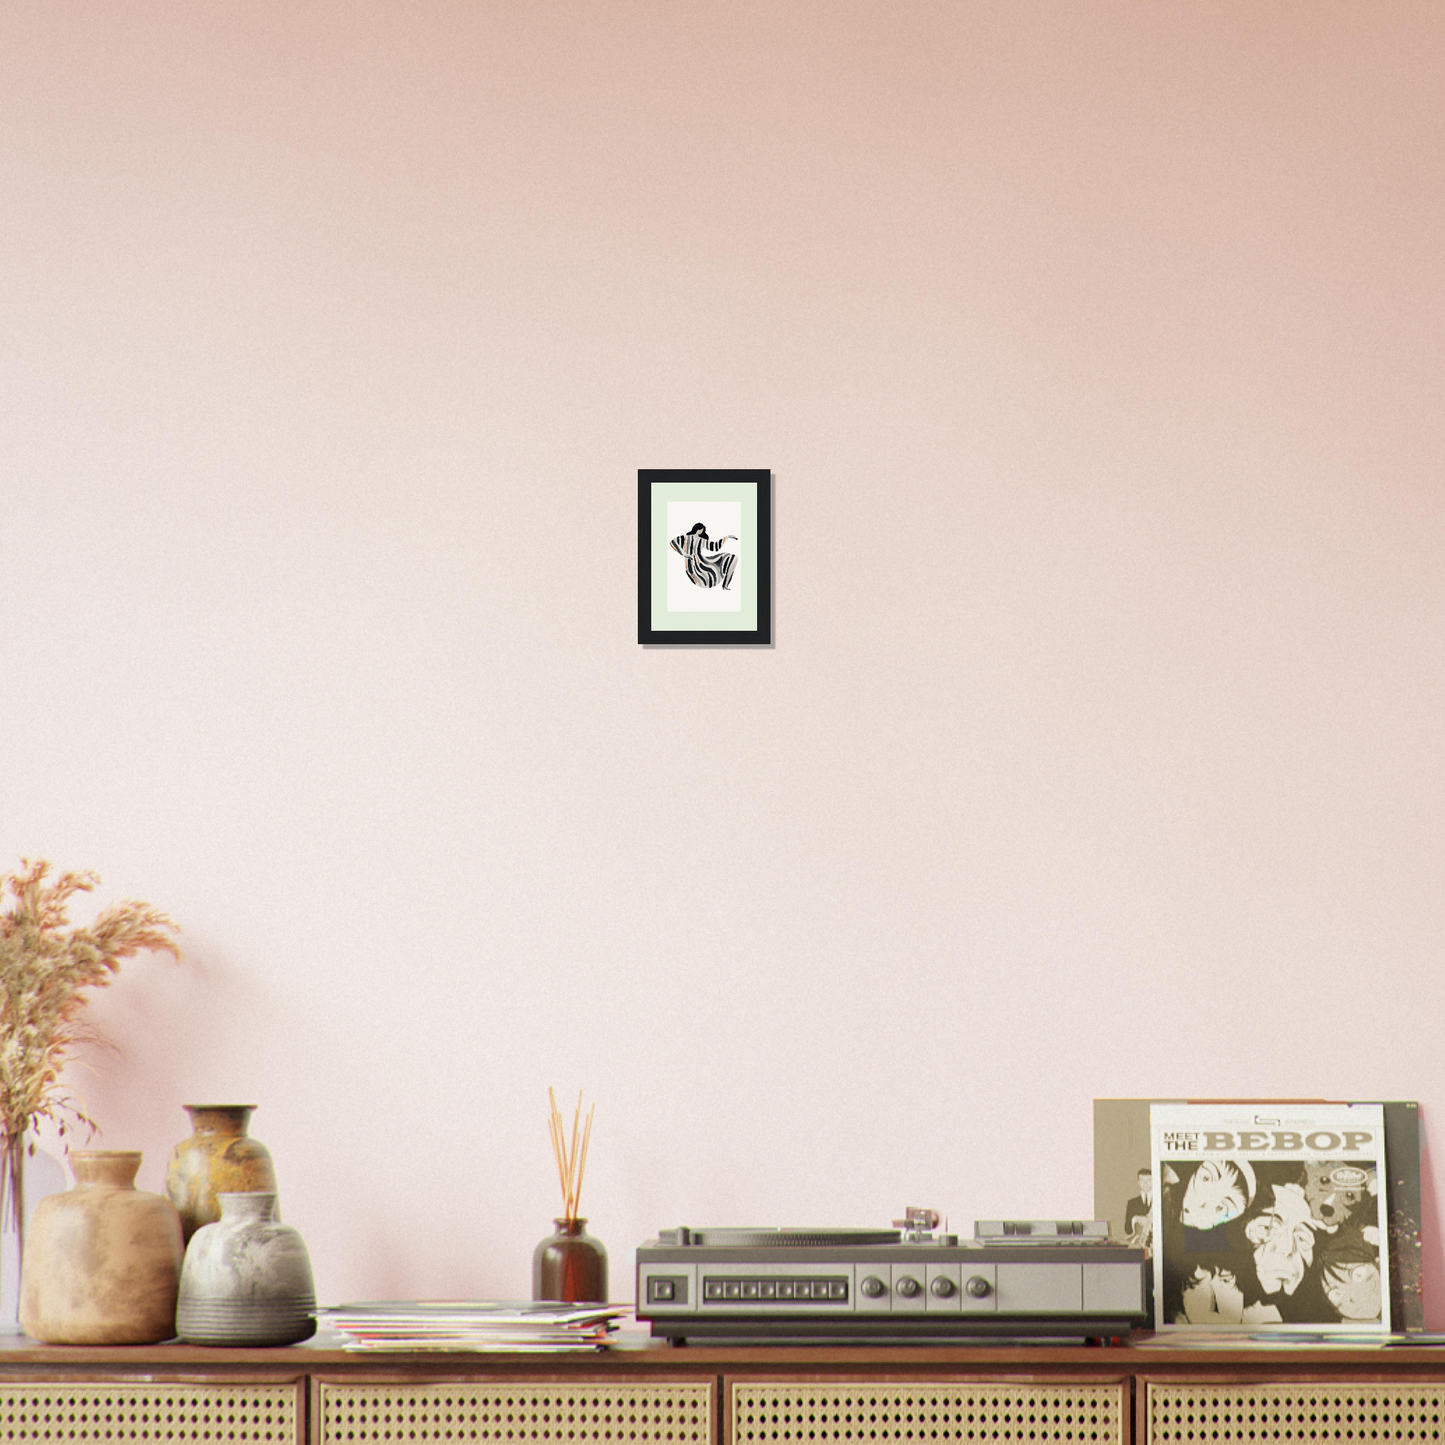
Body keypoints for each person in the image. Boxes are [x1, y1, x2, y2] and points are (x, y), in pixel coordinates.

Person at [670, 523, 738, 590]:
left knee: (732, 558)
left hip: (701, 562)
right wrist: (684, 554)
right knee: (730, 560)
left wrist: (727, 537)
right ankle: (724, 586)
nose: (702, 531)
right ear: (697, 529)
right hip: (695, 565)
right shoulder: (686, 537)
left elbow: (715, 547)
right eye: (701, 530)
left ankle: (725, 586)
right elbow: (672, 542)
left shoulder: (702, 540)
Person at [1124, 1169, 1153, 1255]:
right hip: (1139, 1248)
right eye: (1142, 1180)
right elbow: (1127, 1229)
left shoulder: (1160, 1201)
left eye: (1149, 1180)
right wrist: (1136, 1219)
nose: (1145, 1183)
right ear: (1138, 1182)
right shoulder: (1132, 1203)